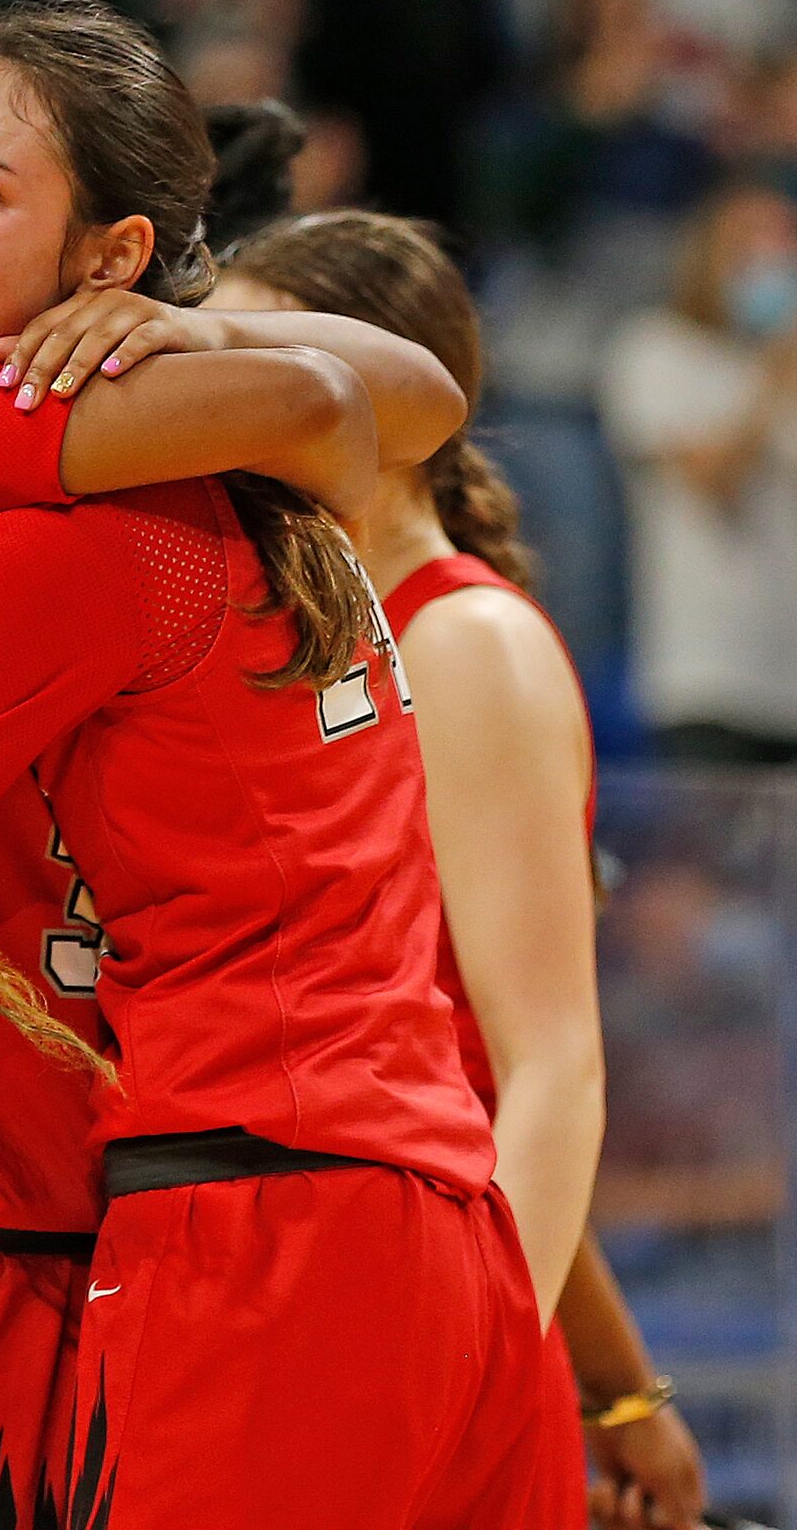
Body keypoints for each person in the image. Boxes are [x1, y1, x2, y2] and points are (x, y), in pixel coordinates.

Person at [0, 0, 565, 1528]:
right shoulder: (231, 506)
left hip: (233, 1222)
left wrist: (189, 323)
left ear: (109, 255)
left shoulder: (97, 536)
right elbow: (369, 402)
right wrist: (196, 326)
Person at [216, 212, 705, 1529]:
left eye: (256, 357)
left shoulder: (465, 639)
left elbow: (545, 1069)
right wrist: (619, 1389)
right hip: (305, 1293)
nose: (215, 397)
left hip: (417, 1334)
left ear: (385, 390)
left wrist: (464, 1373)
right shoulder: (301, 636)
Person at [599, 180, 797, 764]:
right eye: (749, 246)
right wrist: (771, 374)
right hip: (707, 679)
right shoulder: (655, 351)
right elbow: (714, 480)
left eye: (784, 245)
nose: (769, 262)